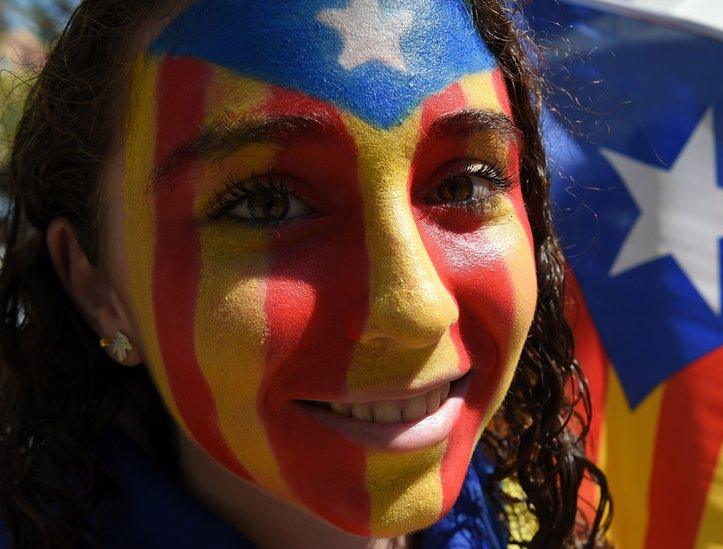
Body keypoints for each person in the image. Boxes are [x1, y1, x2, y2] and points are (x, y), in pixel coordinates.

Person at [0, 0, 611, 546]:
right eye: (266, 203)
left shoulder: (533, 527)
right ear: (97, 286)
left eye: (465, 183)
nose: (416, 309)